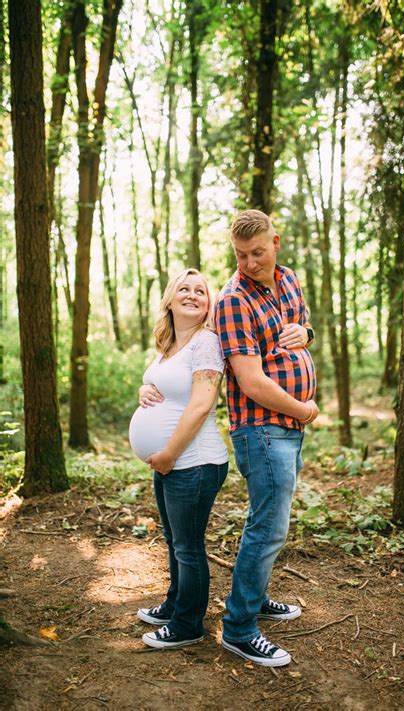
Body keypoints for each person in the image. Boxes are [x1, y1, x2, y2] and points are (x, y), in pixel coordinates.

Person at [215, 209, 319, 667]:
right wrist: (304, 409)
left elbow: (299, 330)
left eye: (257, 253)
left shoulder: (290, 280)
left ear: (276, 242)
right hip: (261, 428)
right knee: (268, 527)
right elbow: (251, 381)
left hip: (287, 429)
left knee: (269, 521)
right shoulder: (233, 299)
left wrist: (307, 332)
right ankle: (238, 629)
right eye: (241, 255)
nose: (249, 263)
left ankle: (254, 601)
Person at [129, 268, 229, 650]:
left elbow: (202, 403)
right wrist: (144, 388)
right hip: (171, 463)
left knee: (188, 547)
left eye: (200, 291)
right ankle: (175, 604)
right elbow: (162, 385)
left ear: (208, 303)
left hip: (194, 461)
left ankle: (188, 624)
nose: (191, 295)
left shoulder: (206, 342)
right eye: (183, 289)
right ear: (170, 299)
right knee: (175, 541)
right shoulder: (169, 344)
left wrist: (169, 453)